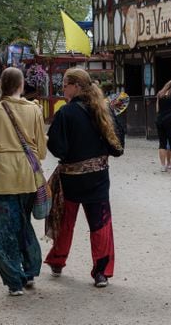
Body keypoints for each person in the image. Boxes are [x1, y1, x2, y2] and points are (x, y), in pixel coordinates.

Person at [44, 68, 123, 288]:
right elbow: (117, 148)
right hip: (98, 177)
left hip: (72, 178)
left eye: (65, 86)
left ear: (76, 86)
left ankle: (57, 261)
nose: (63, 90)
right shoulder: (105, 110)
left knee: (65, 221)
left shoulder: (65, 113)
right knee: (101, 223)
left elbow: (58, 147)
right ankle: (102, 272)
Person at [0, 67, 47, 296]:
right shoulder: (35, 110)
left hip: (1, 177)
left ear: (1, 85)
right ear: (21, 84)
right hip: (27, 175)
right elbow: (42, 151)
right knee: (23, 224)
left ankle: (13, 279)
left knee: (1, 231)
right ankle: (30, 271)